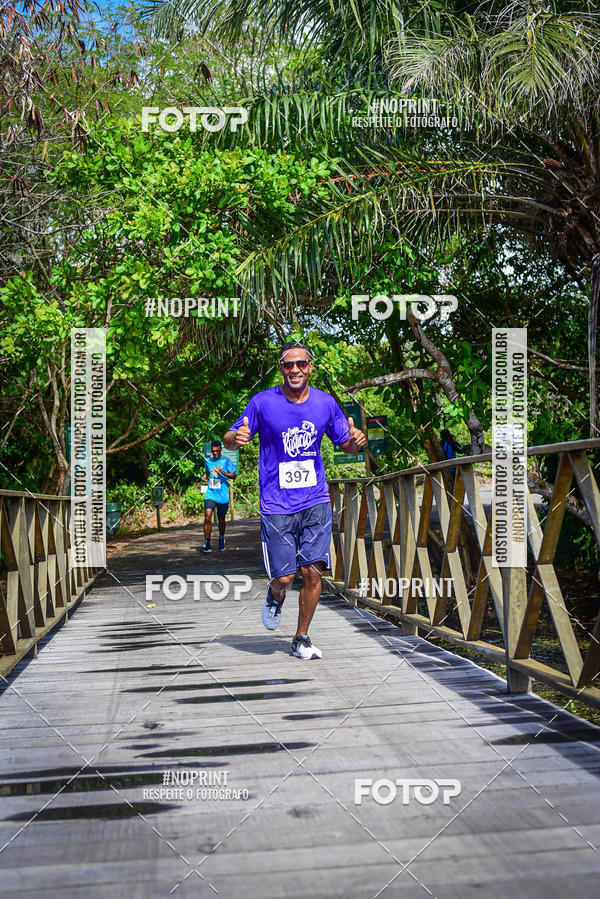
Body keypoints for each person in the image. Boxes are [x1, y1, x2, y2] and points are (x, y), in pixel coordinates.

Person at [223, 340, 366, 659]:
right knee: (285, 577)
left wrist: (357, 440)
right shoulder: (262, 402)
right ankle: (275, 595)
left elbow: (346, 445)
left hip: (315, 499)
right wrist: (235, 438)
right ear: (281, 369)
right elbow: (230, 438)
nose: (295, 369)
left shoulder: (325, 402)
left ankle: (301, 637)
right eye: (289, 365)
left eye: (301, 363)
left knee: (313, 572)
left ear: (310, 367)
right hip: (277, 504)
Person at [200, 440, 236, 553]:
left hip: (222, 495)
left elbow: (234, 475)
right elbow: (208, 471)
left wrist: (223, 472)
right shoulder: (208, 461)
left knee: (221, 519)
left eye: (217, 451)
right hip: (210, 493)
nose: (215, 453)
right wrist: (205, 475)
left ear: (220, 450)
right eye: (213, 451)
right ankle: (207, 543)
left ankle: (221, 538)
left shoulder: (226, 461)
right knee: (207, 517)